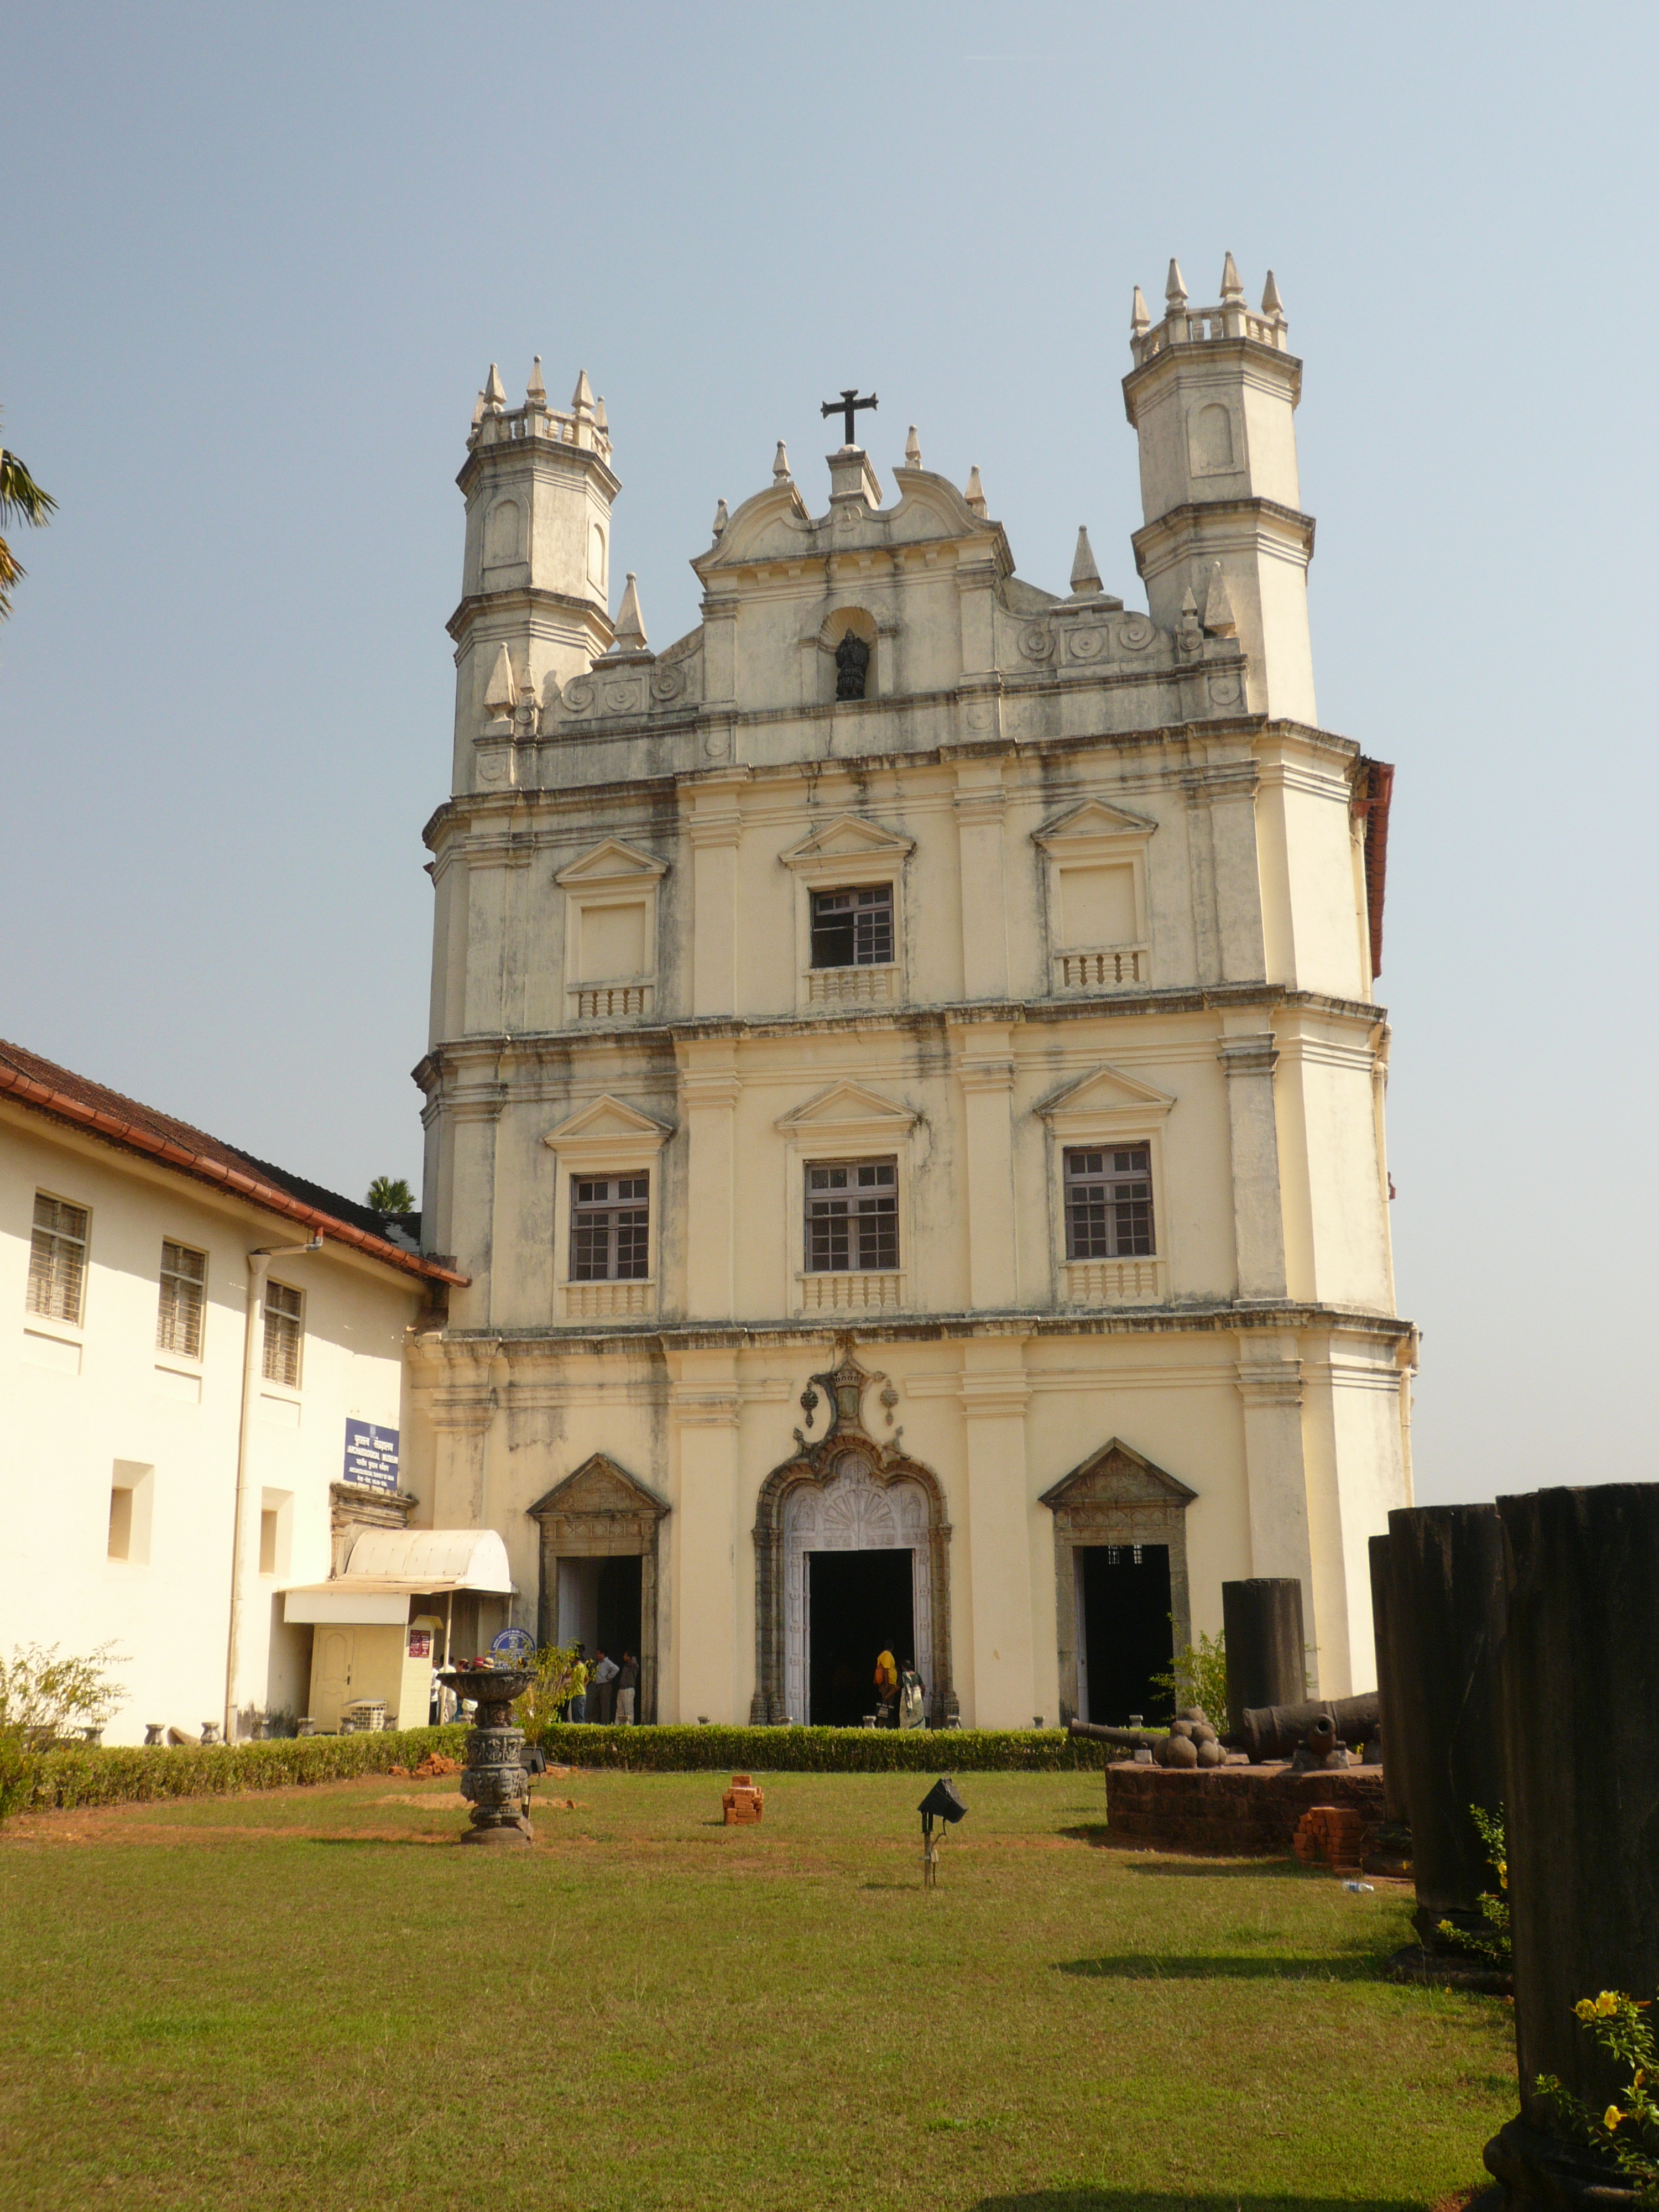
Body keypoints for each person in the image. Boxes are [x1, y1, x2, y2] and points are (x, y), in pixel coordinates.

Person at [590, 1647, 620, 1724]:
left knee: (605, 1707)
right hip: (598, 1685)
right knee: (596, 1706)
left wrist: (609, 1677)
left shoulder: (607, 1662)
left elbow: (616, 1669)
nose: (597, 1655)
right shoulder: (599, 1663)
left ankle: (605, 1724)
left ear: (602, 1655)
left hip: (605, 1685)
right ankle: (594, 1723)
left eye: (598, 1654)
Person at [565, 1643, 589, 1723]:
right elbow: (587, 1679)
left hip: (578, 1694)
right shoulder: (583, 1667)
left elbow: (567, 1675)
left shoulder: (576, 1669)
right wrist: (583, 1686)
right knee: (579, 1717)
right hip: (581, 1693)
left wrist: (569, 1664)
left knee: (578, 1718)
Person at [874, 1648, 899, 1725]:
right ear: (892, 1648)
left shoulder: (881, 1656)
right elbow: (886, 1670)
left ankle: (884, 1725)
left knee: (885, 1705)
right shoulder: (888, 1655)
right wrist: (887, 1684)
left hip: (884, 1685)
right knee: (888, 1707)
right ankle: (886, 1726)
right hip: (888, 1685)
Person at [898, 1664, 926, 1731]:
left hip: (906, 1700)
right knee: (918, 1716)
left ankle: (906, 1731)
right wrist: (923, 1694)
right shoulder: (917, 1675)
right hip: (917, 1698)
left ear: (903, 1668)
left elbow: (897, 1688)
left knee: (906, 1716)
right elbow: (923, 1687)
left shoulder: (903, 1676)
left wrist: (888, 1695)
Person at [615, 1651, 639, 1725]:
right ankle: (618, 1725)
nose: (624, 1657)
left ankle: (629, 1726)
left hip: (629, 1689)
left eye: (626, 1656)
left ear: (629, 1657)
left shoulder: (634, 1666)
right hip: (622, 1689)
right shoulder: (625, 1666)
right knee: (619, 1710)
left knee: (629, 1710)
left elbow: (634, 1665)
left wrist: (632, 1659)